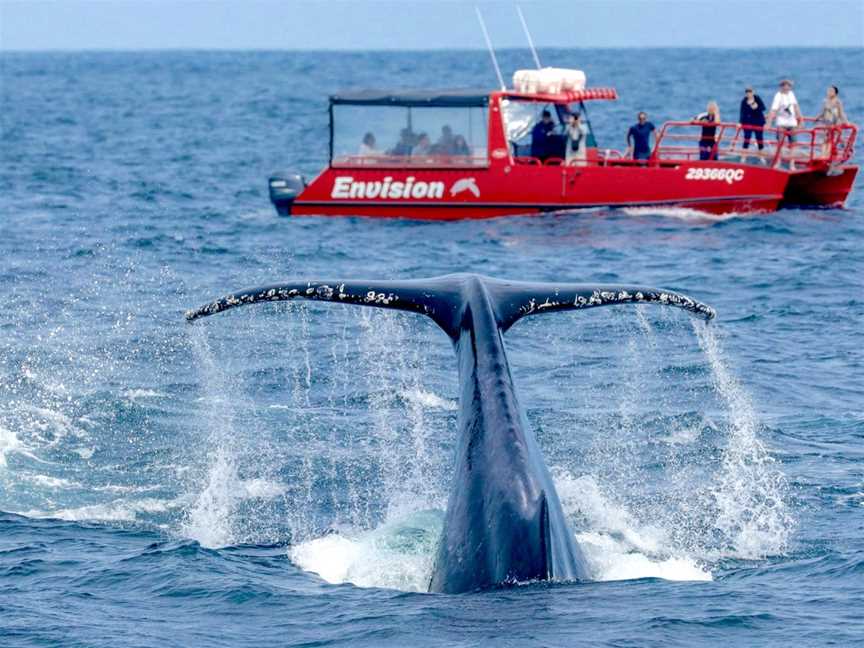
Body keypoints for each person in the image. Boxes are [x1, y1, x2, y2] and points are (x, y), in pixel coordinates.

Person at [766, 79, 802, 169]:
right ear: (781, 87)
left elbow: (796, 107)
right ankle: (778, 162)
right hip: (781, 123)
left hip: (792, 123)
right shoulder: (778, 96)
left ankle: (792, 164)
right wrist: (769, 123)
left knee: (793, 144)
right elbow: (773, 110)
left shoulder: (791, 94)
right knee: (780, 144)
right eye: (784, 86)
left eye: (788, 86)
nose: (786, 87)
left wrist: (801, 120)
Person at [739, 87, 766, 152]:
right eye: (747, 92)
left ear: (753, 92)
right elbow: (742, 112)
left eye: (750, 92)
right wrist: (740, 122)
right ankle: (744, 155)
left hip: (758, 121)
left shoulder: (757, 98)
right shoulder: (744, 101)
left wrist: (754, 105)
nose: (748, 94)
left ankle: (761, 153)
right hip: (748, 121)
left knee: (759, 137)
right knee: (747, 137)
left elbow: (763, 108)